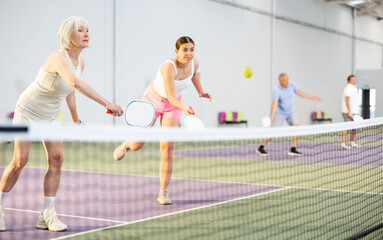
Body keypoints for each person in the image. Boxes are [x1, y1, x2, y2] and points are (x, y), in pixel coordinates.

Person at [0, 16, 124, 232]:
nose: (86, 33)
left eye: (88, 30)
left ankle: (46, 214)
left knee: (57, 160)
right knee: (20, 161)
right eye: (80, 30)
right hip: (28, 111)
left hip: (50, 115)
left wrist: (75, 119)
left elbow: (70, 91)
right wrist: (107, 103)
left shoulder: (81, 62)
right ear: (69, 35)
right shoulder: (58, 57)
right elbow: (75, 83)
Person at [113, 36, 212, 205]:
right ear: (176, 51)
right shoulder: (168, 67)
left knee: (167, 147)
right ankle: (126, 145)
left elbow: (194, 75)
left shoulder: (194, 63)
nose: (189, 53)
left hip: (172, 107)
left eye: (192, 49)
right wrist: (184, 109)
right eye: (185, 50)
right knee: (138, 144)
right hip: (153, 102)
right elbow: (171, 97)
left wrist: (200, 92)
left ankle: (163, 192)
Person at [256, 73, 321, 157]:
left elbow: (300, 93)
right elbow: (274, 103)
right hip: (280, 113)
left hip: (291, 112)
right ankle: (261, 147)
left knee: (296, 127)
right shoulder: (276, 90)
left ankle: (293, 149)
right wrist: (271, 116)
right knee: (273, 132)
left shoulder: (292, 85)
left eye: (287, 79)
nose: (287, 82)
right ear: (280, 81)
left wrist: (311, 97)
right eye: (284, 80)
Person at [341, 75, 359, 150]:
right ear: (349, 81)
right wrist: (349, 112)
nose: (354, 81)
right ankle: (343, 144)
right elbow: (347, 100)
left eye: (354, 79)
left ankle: (352, 142)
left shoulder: (354, 88)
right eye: (352, 80)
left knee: (353, 128)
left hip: (354, 112)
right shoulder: (348, 89)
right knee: (346, 127)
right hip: (347, 112)